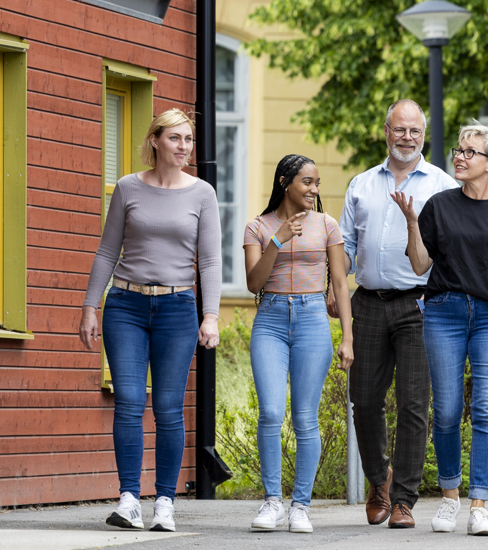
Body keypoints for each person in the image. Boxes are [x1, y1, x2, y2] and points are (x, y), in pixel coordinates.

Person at [79, 109, 221, 533]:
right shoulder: (127, 188)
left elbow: (211, 259)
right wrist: (91, 305)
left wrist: (210, 315)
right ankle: (128, 499)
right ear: (156, 140)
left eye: (189, 140)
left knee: (168, 407)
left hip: (177, 308)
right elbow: (107, 250)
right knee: (127, 399)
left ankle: (163, 501)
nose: (184, 147)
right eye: (176, 138)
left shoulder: (202, 194)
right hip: (126, 305)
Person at [395, 122, 488, 536]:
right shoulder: (439, 205)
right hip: (444, 312)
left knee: (487, 411)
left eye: (470, 152)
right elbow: (420, 265)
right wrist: (410, 222)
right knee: (447, 411)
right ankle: (449, 497)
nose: (459, 156)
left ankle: (479, 505)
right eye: (459, 150)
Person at [336, 99, 458, 529]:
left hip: (421, 305)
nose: (407, 138)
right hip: (367, 302)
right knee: (364, 400)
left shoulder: (442, 185)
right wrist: (334, 288)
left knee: (413, 404)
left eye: (415, 131)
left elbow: (448, 251)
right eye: (400, 130)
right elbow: (346, 248)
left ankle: (404, 498)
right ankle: (378, 482)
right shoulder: (361, 184)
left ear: (423, 135)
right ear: (385, 131)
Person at [244, 154, 354, 534]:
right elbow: (254, 283)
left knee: (306, 418)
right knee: (271, 413)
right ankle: (273, 501)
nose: (314, 190)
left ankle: (300, 506)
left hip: (311, 320)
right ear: (284, 182)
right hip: (270, 319)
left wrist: (348, 339)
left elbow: (340, 283)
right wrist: (278, 240)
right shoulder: (258, 227)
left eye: (317, 183)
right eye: (307, 182)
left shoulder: (327, 224)